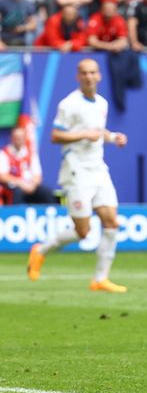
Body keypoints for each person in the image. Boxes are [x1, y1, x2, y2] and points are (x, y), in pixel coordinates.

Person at [27, 58, 129, 294]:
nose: (89, 77)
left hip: (98, 168)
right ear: (77, 77)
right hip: (76, 170)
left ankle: (100, 279)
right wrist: (84, 134)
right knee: (83, 232)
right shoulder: (69, 104)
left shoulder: (102, 103)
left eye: (93, 72)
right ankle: (40, 251)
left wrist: (113, 138)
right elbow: (55, 136)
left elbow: (97, 131)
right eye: (84, 73)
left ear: (99, 76)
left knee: (111, 221)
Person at [0, 127, 55, 204]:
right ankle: (17, 214)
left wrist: (32, 185)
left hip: (31, 186)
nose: (19, 140)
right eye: (17, 138)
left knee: (47, 193)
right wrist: (20, 183)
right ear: (12, 138)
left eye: (21, 137)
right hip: (14, 187)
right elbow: (2, 176)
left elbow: (38, 176)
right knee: (17, 193)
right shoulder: (4, 153)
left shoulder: (31, 153)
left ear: (25, 138)